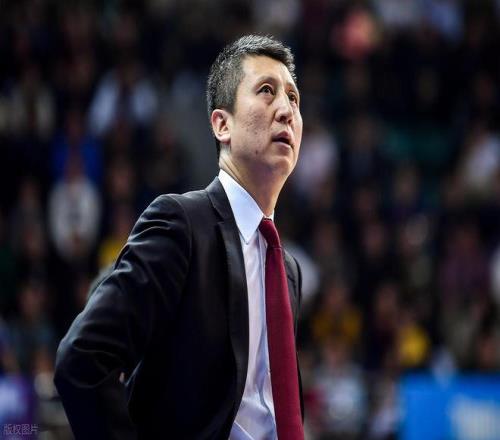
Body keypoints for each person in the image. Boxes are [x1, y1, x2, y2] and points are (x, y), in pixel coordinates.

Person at [54, 35, 304, 439]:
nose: (286, 110)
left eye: (293, 98)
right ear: (222, 124)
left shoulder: (288, 271)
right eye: (266, 91)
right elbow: (82, 359)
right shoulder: (181, 225)